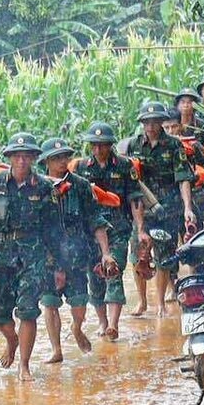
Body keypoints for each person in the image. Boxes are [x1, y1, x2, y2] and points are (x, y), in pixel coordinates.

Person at [0, 132, 57, 379]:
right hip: (2, 255)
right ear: (10, 158)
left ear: (34, 159)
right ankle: (12, 340)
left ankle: (24, 365)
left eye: (27, 157)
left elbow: (54, 228)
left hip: (33, 256)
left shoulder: (45, 187)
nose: (22, 161)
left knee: (27, 309)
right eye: (17, 156)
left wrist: (59, 265)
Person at [37, 139, 115, 363]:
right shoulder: (39, 188)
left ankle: (77, 327)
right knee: (50, 304)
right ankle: (56, 349)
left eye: (65, 157)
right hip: (49, 258)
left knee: (79, 303)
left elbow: (95, 219)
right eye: (56, 158)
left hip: (78, 256)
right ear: (47, 161)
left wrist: (106, 252)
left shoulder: (80, 185)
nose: (62, 161)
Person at [74, 121, 145, 341]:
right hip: (90, 231)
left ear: (110, 145)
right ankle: (103, 322)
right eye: (94, 145)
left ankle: (113, 325)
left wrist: (140, 229)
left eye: (103, 145)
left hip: (119, 228)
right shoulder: (81, 168)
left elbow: (135, 200)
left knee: (113, 270)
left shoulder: (125, 166)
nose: (98, 150)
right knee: (94, 278)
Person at [130, 99, 199, 315]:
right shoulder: (133, 145)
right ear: (142, 123)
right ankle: (142, 301)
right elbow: (130, 182)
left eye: (155, 122)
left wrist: (188, 208)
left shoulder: (173, 145)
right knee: (137, 255)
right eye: (147, 122)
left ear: (161, 122)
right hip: (142, 209)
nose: (150, 126)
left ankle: (160, 303)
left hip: (169, 209)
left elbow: (183, 178)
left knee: (163, 257)